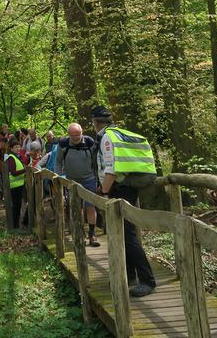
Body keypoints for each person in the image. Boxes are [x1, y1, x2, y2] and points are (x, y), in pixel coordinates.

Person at [92, 105, 158, 298]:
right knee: (122, 233)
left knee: (127, 235)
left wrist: (104, 192)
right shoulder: (119, 133)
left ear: (96, 123)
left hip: (119, 189)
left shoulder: (106, 138)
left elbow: (110, 169)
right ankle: (130, 276)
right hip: (127, 186)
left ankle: (148, 280)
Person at [54, 122, 100, 247]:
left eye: (79, 134)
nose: (77, 138)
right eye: (73, 135)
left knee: (90, 207)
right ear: (69, 134)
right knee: (76, 207)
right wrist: (58, 178)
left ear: (82, 132)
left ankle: (92, 234)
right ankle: (80, 232)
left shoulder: (90, 142)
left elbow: (97, 161)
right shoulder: (63, 144)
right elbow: (58, 162)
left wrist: (99, 179)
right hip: (72, 180)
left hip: (89, 179)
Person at [4, 137, 27, 228]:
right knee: (16, 206)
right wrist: (24, 170)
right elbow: (13, 172)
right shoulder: (11, 158)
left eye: (19, 147)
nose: (18, 149)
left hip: (19, 185)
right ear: (12, 148)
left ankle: (16, 224)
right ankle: (15, 225)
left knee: (18, 206)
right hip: (15, 186)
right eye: (16, 147)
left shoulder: (17, 157)